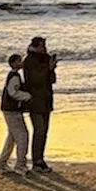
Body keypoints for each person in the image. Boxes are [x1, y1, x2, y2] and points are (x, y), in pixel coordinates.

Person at [23, 37, 57, 173]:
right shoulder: (30, 61)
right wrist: (47, 69)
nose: (45, 48)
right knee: (39, 130)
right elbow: (34, 80)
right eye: (42, 46)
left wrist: (51, 68)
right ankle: (36, 161)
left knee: (44, 132)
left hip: (46, 99)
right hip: (35, 101)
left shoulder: (45, 58)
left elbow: (52, 80)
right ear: (35, 46)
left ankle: (40, 159)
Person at [0, 53, 31, 174]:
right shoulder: (14, 77)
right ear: (14, 63)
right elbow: (13, 92)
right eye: (19, 61)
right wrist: (27, 96)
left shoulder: (13, 76)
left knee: (12, 137)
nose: (22, 63)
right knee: (22, 136)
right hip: (12, 110)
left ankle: (2, 163)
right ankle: (20, 164)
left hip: (9, 109)